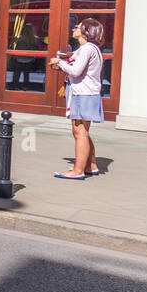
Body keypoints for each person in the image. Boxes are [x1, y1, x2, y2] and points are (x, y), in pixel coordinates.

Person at [48, 18, 105, 179]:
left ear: (87, 31)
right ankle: (91, 165)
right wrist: (62, 64)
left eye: (77, 27)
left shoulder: (87, 48)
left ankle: (77, 171)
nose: (74, 29)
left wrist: (59, 62)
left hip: (84, 94)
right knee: (82, 131)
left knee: (80, 132)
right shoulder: (88, 49)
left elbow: (75, 71)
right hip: (85, 93)